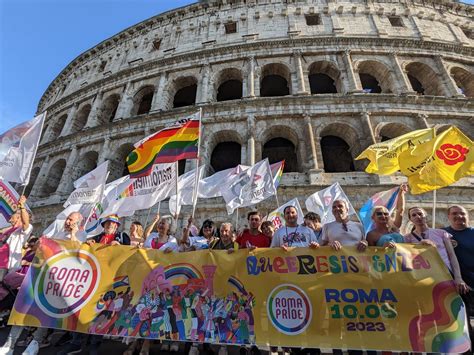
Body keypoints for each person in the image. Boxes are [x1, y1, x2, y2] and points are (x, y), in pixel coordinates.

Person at [59, 215, 130, 355]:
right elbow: (85, 251)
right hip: (94, 278)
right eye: (108, 223)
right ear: (103, 225)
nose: (110, 225)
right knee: (83, 309)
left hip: (111, 280)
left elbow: (130, 252)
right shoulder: (97, 238)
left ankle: (94, 344)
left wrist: (121, 247)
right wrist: (87, 244)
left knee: (102, 313)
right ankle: (76, 342)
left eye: (113, 223)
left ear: (117, 226)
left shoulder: (122, 237)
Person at [404, 207, 468, 295]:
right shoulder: (407, 238)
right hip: (423, 277)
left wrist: (458, 277)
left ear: (425, 216)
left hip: (445, 274)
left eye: (420, 214)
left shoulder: (441, 233)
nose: (418, 217)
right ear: (410, 219)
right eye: (414, 215)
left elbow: (452, 256)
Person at [444, 205, 474, 339]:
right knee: (461, 324)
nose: (459, 216)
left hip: (472, 282)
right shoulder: (441, 233)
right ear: (448, 216)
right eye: (454, 213)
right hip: (453, 286)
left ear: (468, 216)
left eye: (462, 213)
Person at [0, 195, 32, 281]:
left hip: (4, 265)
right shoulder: (7, 230)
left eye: (12, 216)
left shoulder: (23, 231)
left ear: (19, 217)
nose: (10, 219)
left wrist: (22, 206)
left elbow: (25, 222)